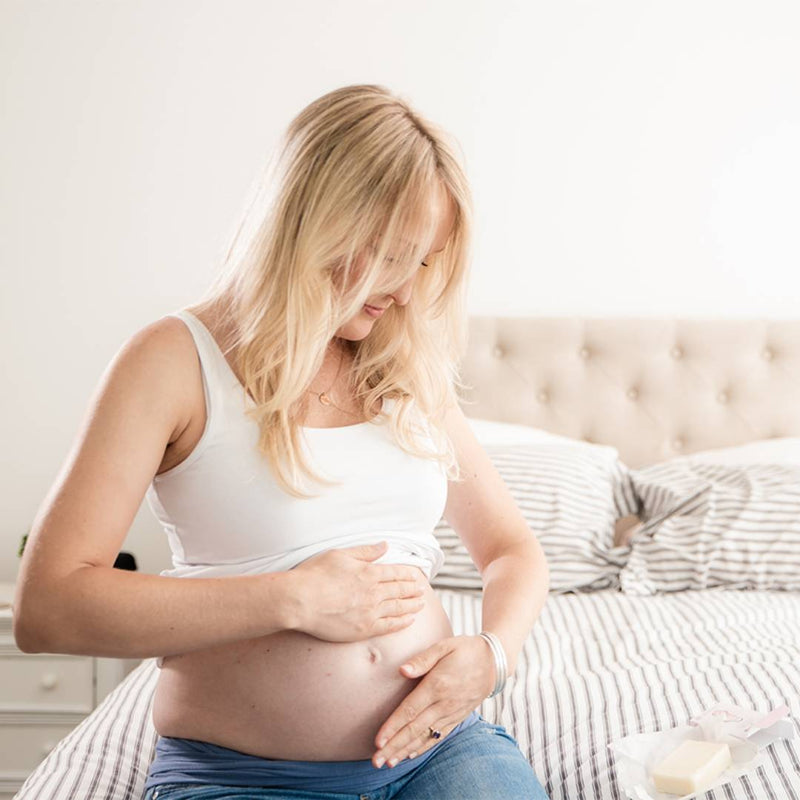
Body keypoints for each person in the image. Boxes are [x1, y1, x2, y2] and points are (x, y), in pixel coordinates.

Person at [13, 84, 551, 800]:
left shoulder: (405, 365)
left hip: (440, 757)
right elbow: (47, 609)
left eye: (423, 262)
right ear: (318, 221)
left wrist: (492, 655)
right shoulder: (174, 361)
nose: (406, 289)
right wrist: (292, 600)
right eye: (391, 255)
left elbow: (514, 550)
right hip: (241, 775)